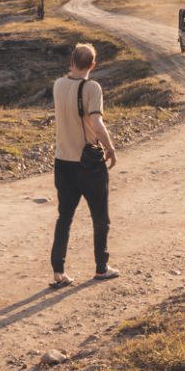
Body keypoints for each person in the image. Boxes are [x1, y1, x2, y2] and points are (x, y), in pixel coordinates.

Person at [49, 42, 119, 288]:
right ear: (92, 65)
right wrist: (110, 149)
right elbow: (97, 124)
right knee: (100, 217)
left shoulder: (58, 85)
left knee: (64, 217)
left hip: (62, 161)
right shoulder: (93, 88)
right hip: (88, 163)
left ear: (70, 63)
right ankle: (102, 267)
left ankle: (58, 272)